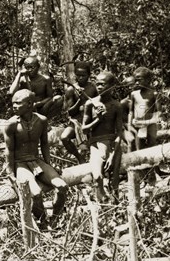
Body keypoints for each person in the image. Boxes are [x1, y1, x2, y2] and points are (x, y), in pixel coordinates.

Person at [3, 89, 68, 229]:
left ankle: (55, 218)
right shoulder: (11, 124)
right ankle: (42, 222)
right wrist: (10, 173)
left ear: (29, 104)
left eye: (18, 103)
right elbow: (9, 150)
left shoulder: (41, 120)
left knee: (62, 186)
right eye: (13, 103)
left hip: (36, 161)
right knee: (36, 193)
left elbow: (44, 144)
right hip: (20, 163)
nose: (14, 106)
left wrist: (49, 165)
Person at [82, 71, 124, 201]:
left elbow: (119, 132)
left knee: (115, 180)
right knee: (98, 177)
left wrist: (112, 155)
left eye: (102, 84)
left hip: (113, 144)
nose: (99, 87)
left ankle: (116, 206)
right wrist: (98, 119)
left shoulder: (116, 106)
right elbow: (84, 130)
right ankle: (101, 202)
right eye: (97, 84)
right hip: (96, 144)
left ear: (112, 86)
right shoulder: (90, 104)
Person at [60, 62, 98, 164]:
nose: (80, 78)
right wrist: (79, 100)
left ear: (89, 75)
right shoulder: (71, 90)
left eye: (83, 75)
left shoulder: (93, 88)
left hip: (91, 119)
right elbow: (70, 112)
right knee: (64, 137)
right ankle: (79, 158)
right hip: (76, 121)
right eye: (78, 75)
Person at [129, 67, 161, 151]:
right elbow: (131, 111)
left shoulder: (154, 93)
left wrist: (150, 121)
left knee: (152, 145)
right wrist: (130, 124)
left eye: (140, 80)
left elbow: (159, 112)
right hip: (138, 124)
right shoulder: (134, 94)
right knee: (139, 146)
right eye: (136, 80)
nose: (137, 83)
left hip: (150, 124)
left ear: (148, 80)